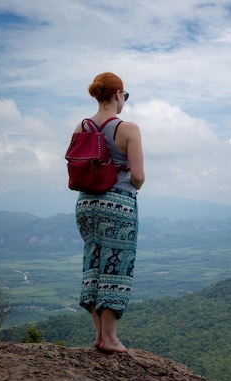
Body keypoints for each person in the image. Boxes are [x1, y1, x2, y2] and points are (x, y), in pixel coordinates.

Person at [73, 72, 145, 353]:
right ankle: (111, 339)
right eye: (124, 96)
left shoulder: (80, 127)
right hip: (117, 205)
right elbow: (137, 177)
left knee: (93, 263)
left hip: (85, 205)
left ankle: (99, 334)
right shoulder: (128, 129)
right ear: (118, 95)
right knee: (116, 266)